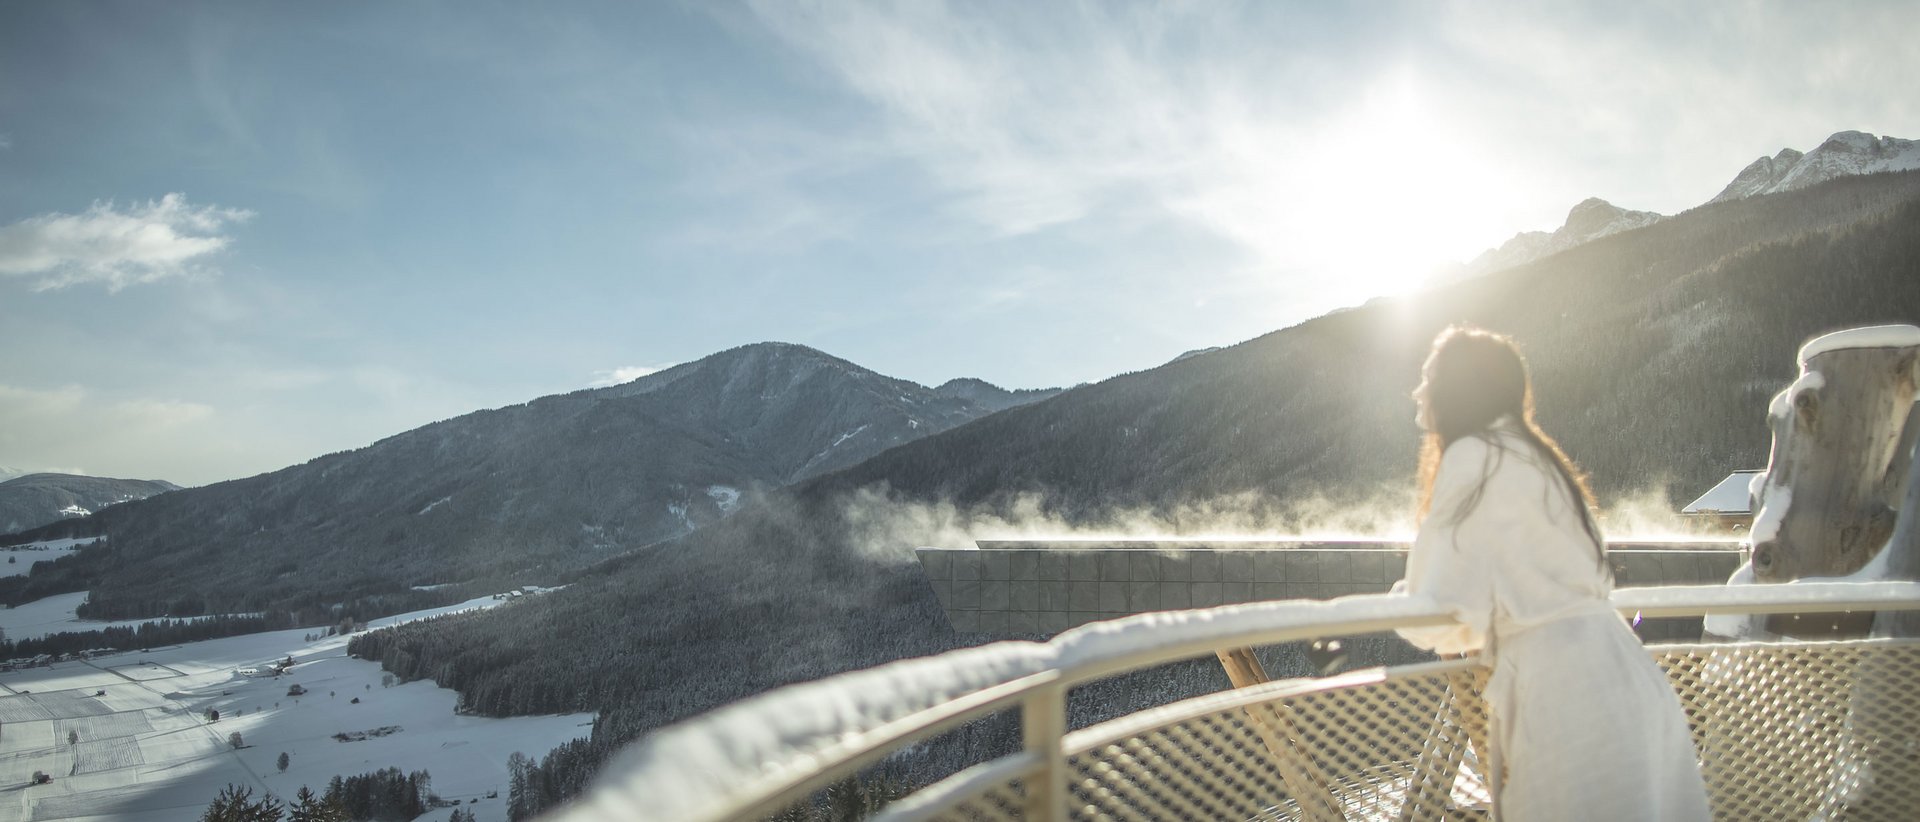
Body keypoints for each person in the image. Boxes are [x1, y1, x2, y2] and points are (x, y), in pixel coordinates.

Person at [1391, 325, 1711, 820]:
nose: (1418, 390)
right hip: (1628, 677)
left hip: (1567, 703)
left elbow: (1437, 612)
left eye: (1428, 376)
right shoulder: (1537, 457)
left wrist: (1402, 601)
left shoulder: (1472, 457)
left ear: (1458, 387)